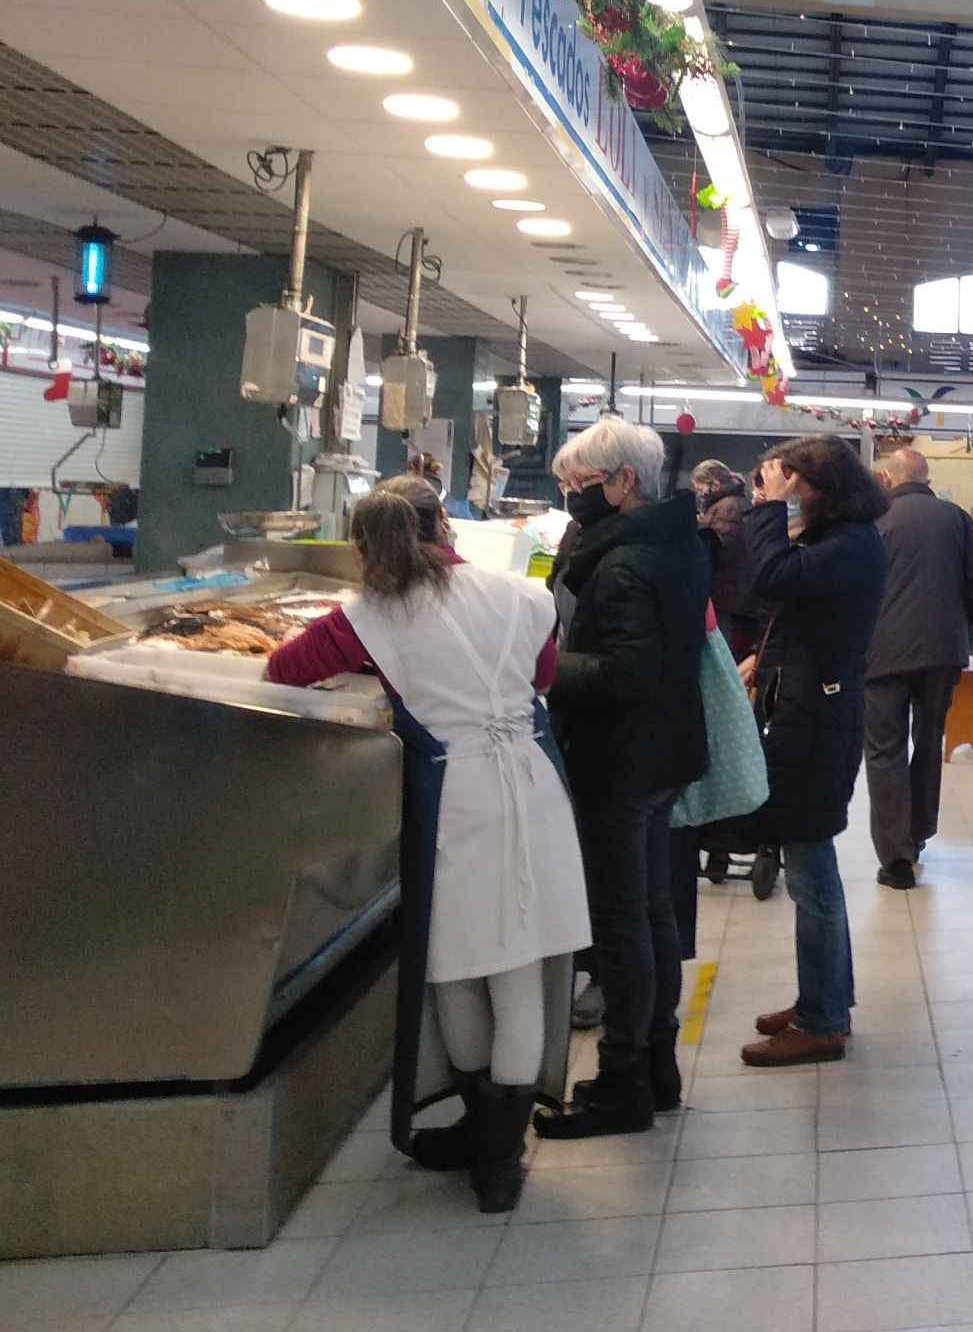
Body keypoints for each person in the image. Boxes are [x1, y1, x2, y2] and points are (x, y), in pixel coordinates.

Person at [266, 478, 587, 1213]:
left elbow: (283, 672)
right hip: (534, 789)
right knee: (517, 972)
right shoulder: (519, 597)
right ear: (445, 523)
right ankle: (498, 1161)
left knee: (455, 968)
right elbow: (539, 680)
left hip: (455, 801)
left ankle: (483, 1134)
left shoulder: (367, 616)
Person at [535, 416, 710, 1138]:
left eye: (578, 485)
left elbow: (625, 672)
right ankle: (658, 1069)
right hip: (665, 750)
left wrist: (543, 669)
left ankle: (621, 1083)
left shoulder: (625, 562)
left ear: (622, 482)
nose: (573, 499)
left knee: (620, 925)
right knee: (653, 913)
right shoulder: (677, 542)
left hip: (622, 758)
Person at [736, 436, 891, 1067]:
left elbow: (772, 575)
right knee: (810, 864)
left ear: (818, 486)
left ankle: (822, 1018)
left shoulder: (853, 543)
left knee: (811, 871)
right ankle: (824, 1000)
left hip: (818, 715)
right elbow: (793, 607)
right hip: (808, 706)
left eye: (788, 477)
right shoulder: (838, 539)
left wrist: (769, 508)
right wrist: (762, 660)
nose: (778, 486)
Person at [865, 446, 973, 890]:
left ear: (887, 477)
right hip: (941, 652)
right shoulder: (956, 519)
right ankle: (917, 835)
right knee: (928, 739)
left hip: (880, 655)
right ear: (926, 475)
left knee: (884, 750)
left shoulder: (874, 520)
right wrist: (955, 622)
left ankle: (895, 858)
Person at [693, 459, 759, 657]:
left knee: (725, 655)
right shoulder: (734, 503)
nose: (699, 494)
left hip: (727, 599)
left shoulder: (727, 508)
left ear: (715, 484)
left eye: (699, 488)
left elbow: (718, 549)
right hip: (734, 596)